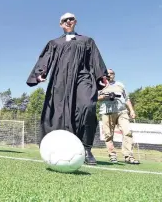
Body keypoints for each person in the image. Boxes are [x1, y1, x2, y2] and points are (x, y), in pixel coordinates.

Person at [26, 12, 108, 165]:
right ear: (60, 24)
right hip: (60, 80)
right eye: (65, 20)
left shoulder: (87, 41)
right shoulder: (54, 43)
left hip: (83, 78)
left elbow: (96, 60)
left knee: (87, 106)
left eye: (71, 19)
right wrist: (40, 74)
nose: (68, 21)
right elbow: (45, 60)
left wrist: (101, 76)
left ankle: (86, 148)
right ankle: (58, 147)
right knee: (58, 113)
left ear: (75, 21)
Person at [97, 69, 140, 164]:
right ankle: (112, 155)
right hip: (106, 112)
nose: (109, 75)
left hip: (122, 111)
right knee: (108, 134)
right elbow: (95, 98)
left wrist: (131, 110)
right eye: (107, 73)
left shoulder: (120, 85)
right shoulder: (100, 85)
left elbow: (127, 99)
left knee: (127, 132)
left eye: (111, 73)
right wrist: (104, 97)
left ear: (114, 75)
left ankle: (128, 156)